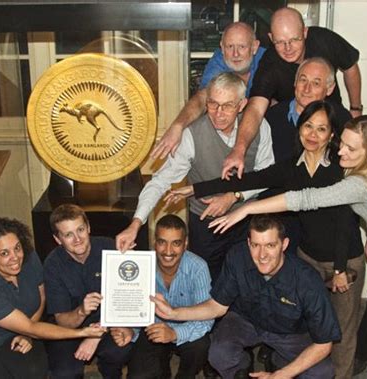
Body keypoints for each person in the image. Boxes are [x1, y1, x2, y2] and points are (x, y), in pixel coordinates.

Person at [210, 115, 367, 379]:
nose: (340, 151)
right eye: (342, 143)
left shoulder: (361, 183)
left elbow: (306, 198)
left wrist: (246, 209)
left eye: (350, 148)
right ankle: (364, 355)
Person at [166, 100, 364, 378]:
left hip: (343, 257)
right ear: (300, 128)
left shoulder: (338, 169)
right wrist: (194, 189)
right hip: (309, 255)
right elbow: (245, 181)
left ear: (331, 135)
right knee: (309, 323)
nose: (313, 134)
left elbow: (346, 221)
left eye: (321, 129)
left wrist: (341, 268)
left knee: (341, 332)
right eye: (308, 126)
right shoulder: (291, 168)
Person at [116, 72, 274, 282]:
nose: (218, 113)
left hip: (246, 220)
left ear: (242, 104)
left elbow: (267, 175)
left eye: (227, 105)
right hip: (205, 224)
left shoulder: (260, 127)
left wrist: (234, 196)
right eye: (213, 104)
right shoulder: (192, 134)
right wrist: (135, 224)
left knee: (249, 281)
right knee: (207, 282)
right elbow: (160, 182)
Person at [151, 214, 341, 379]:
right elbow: (217, 307)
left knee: (322, 372)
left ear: (284, 244)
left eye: (270, 245)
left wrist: (283, 374)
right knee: (218, 353)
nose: (262, 255)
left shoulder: (307, 280)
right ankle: (241, 369)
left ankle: (279, 361)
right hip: (246, 320)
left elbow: (324, 344)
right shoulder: (237, 257)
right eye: (256, 245)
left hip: (289, 332)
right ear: (248, 243)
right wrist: (173, 313)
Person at [222, 6, 362, 179]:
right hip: (291, 125)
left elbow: (350, 67)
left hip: (332, 116)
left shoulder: (325, 40)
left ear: (304, 32)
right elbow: (256, 108)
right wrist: (239, 149)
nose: (287, 48)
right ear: (271, 38)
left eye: (294, 39)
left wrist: (356, 109)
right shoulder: (270, 64)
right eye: (280, 42)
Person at [0, 217, 105, 379]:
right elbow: (30, 327)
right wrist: (83, 332)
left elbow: (41, 296)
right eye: (4, 253)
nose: (15, 257)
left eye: (17, 248)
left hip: (29, 326)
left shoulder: (28, 258)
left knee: (36, 369)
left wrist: (29, 333)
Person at [150, 21, 265, 160]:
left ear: (254, 47)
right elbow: (202, 97)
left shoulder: (267, 60)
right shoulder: (219, 61)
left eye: (242, 46)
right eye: (230, 46)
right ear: (222, 48)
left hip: (265, 127)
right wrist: (178, 126)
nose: (235, 54)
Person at [43, 204, 134, 378]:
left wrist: (96, 335)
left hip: (108, 324)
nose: (77, 239)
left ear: (89, 228)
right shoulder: (52, 265)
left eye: (80, 230)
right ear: (57, 239)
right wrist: (82, 311)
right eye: (68, 234)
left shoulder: (111, 248)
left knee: (120, 349)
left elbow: (127, 300)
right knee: (64, 373)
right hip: (70, 330)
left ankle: (109, 372)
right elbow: (62, 322)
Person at [127, 214, 213, 378]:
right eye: (162, 242)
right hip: (152, 329)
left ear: (185, 244)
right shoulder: (141, 264)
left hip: (187, 329)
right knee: (138, 375)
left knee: (201, 345)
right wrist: (130, 330)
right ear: (154, 242)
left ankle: (185, 375)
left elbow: (207, 318)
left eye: (176, 243)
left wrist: (175, 333)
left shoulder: (199, 268)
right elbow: (131, 306)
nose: (168, 251)